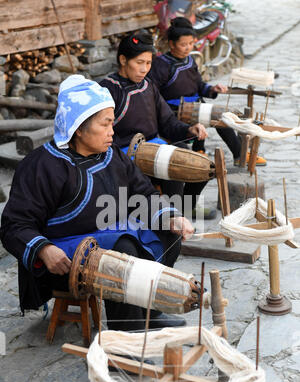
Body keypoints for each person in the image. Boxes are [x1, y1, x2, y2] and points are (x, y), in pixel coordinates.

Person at [0, 75, 194, 332]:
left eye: (112, 123)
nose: (112, 132)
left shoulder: (112, 155)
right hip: (65, 252)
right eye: (105, 124)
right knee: (124, 250)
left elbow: (143, 194)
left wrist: (170, 217)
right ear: (78, 128)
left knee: (169, 236)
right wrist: (44, 250)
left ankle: (149, 310)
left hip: (111, 236)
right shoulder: (42, 165)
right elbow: (14, 224)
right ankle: (125, 338)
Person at [149, 18, 267, 212]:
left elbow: (199, 86)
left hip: (195, 106)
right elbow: (154, 96)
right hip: (174, 111)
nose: (188, 48)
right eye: (183, 44)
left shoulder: (189, 61)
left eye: (191, 44)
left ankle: (239, 155)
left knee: (225, 116)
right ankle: (186, 202)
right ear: (171, 44)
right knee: (219, 117)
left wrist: (212, 89)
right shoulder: (161, 65)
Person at [99, 30, 217, 219]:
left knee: (196, 163)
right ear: (123, 60)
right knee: (170, 165)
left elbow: (168, 122)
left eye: (148, 63)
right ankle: (170, 220)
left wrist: (189, 129)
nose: (144, 69)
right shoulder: (109, 89)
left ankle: (184, 210)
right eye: (139, 63)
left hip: (153, 146)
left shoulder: (148, 85)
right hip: (123, 153)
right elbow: (100, 132)